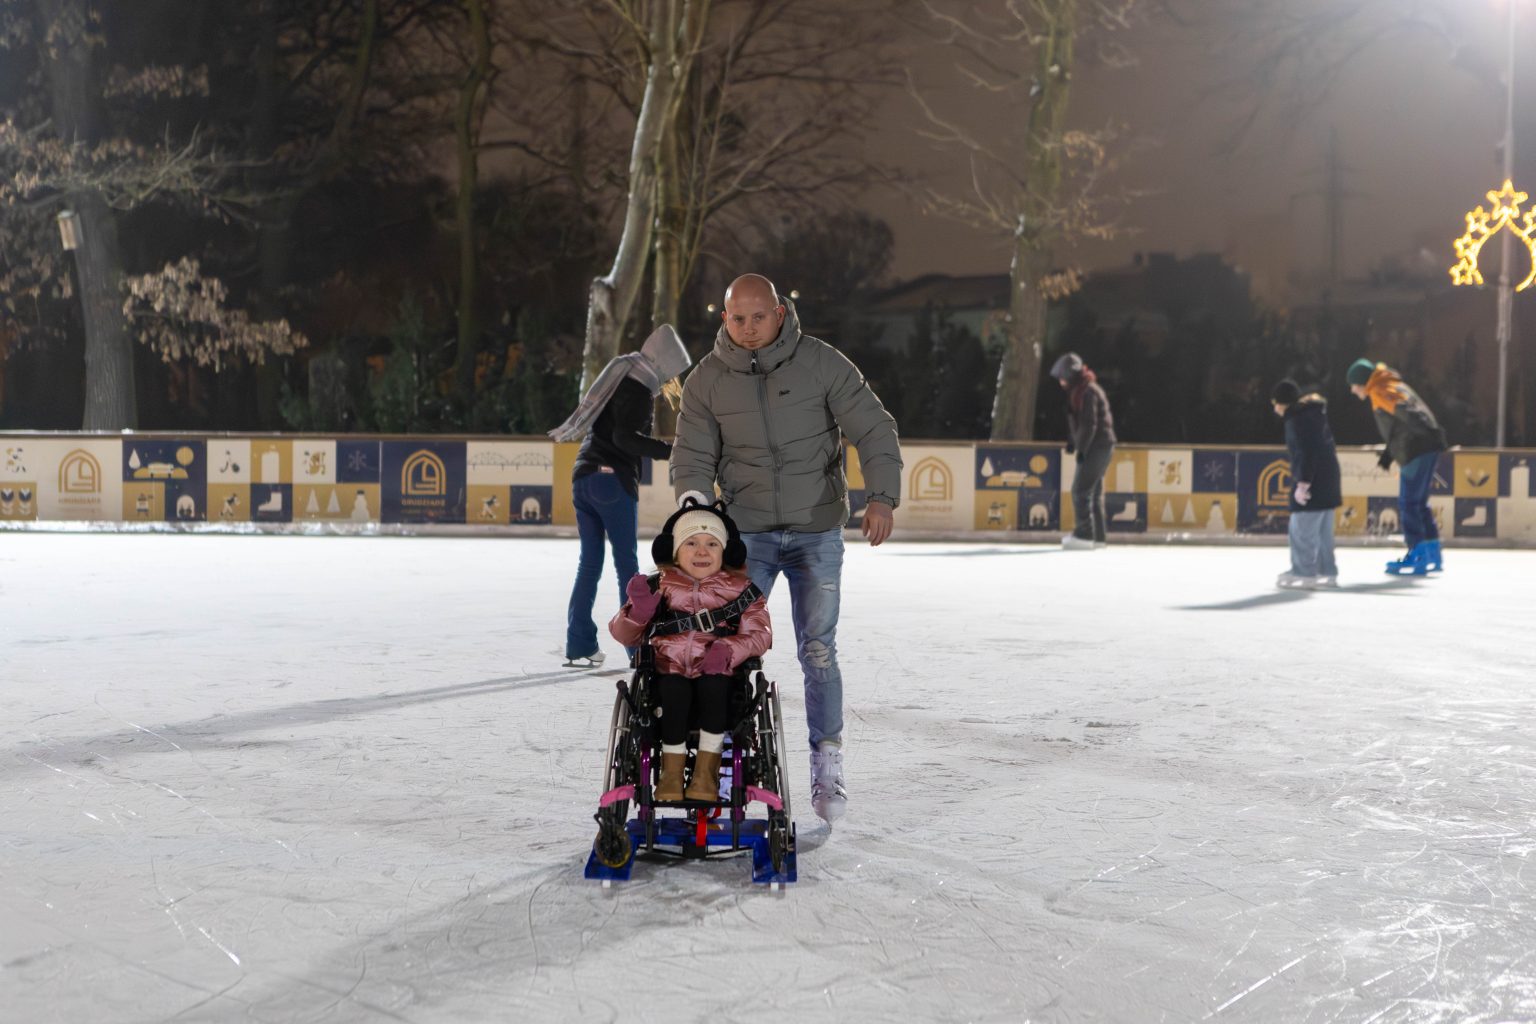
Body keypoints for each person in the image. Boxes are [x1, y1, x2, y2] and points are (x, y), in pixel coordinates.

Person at [670, 273, 902, 823]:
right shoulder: (707, 380)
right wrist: (695, 508)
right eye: (738, 318)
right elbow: (693, 454)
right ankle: (724, 755)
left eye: (759, 316)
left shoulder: (821, 363)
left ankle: (827, 760)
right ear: (724, 319)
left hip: (816, 530)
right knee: (726, 646)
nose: (749, 328)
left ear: (779, 314)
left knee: (817, 650)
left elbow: (873, 427)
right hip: (746, 532)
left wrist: (882, 497)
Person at [608, 501, 772, 803]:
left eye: (712, 544)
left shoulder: (742, 590)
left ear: (727, 552)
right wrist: (639, 612)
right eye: (691, 543)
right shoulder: (658, 586)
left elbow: (760, 634)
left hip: (721, 675)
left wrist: (729, 648)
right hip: (667, 674)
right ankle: (671, 774)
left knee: (714, 687)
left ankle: (705, 775)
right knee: (674, 689)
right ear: (673, 551)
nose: (702, 551)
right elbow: (622, 634)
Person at [550, 325, 691, 668]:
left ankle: (579, 643)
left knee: (589, 564)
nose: (670, 381)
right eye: (671, 372)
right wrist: (670, 450)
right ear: (663, 364)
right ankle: (637, 649)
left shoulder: (620, 378)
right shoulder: (638, 389)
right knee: (627, 567)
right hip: (611, 482)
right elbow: (625, 438)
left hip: (584, 476)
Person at [1345, 358, 1448, 574]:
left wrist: (1425, 436)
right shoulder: (1394, 385)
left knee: (1409, 503)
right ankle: (1433, 553)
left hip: (1416, 450)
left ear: (1362, 382)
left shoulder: (1380, 391)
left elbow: (1408, 415)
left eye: (1353, 385)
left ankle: (1418, 554)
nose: (1353, 391)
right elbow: (1400, 426)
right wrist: (1389, 454)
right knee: (1419, 503)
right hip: (1426, 447)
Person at [1270, 379, 1342, 590]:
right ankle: (1326, 571)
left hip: (1314, 481)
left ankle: (1304, 572)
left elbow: (1306, 452)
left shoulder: (1297, 419)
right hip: (1328, 480)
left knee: (1301, 527)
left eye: (1275, 403)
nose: (1275, 409)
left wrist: (1303, 483)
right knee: (1322, 532)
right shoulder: (1313, 415)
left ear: (1283, 402)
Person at [1049, 352, 1117, 550]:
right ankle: (1098, 537)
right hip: (1100, 445)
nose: (1060, 382)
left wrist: (1082, 450)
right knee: (1093, 493)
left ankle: (1084, 534)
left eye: (1062, 377)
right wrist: (1073, 442)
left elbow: (1089, 425)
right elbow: (1080, 423)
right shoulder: (1081, 390)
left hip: (1098, 446)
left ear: (1070, 375)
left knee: (1080, 491)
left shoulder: (1087, 392)